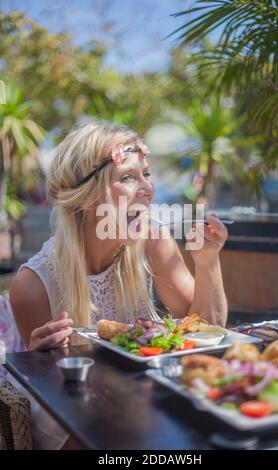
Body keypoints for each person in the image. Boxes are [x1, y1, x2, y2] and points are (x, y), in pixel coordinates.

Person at [9, 121, 228, 449]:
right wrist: (41, 362)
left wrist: (208, 262)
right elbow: (61, 394)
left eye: (146, 174)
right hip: (73, 418)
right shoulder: (32, 285)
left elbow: (209, 330)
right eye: (128, 177)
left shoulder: (155, 241)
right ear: (86, 197)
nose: (147, 189)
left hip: (146, 403)